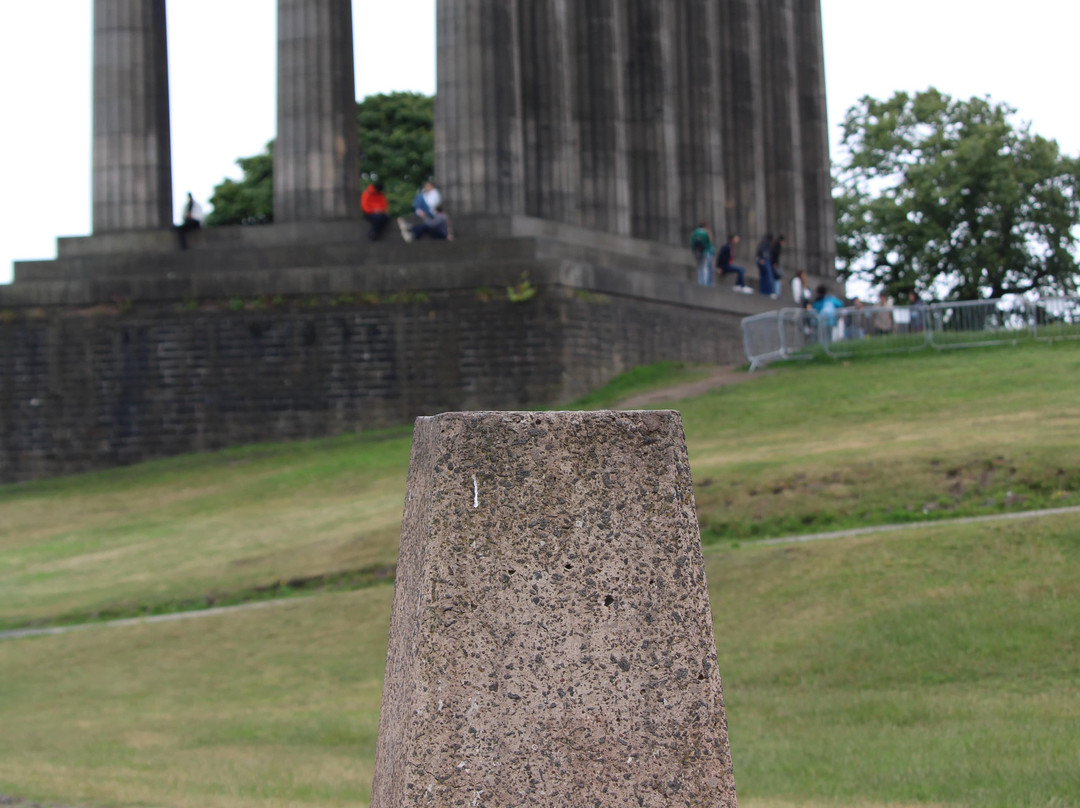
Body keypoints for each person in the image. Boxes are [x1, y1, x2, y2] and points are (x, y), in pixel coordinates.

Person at [690, 222, 715, 287]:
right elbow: (709, 243)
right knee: (705, 267)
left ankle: (700, 281)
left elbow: (692, 243)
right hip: (705, 252)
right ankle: (705, 282)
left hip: (697, 252)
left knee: (699, 267)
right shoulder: (706, 233)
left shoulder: (694, 233)